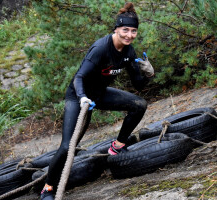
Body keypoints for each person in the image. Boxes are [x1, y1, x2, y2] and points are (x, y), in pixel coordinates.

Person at [40, 2, 154, 199]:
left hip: (100, 93)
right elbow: (79, 77)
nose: (129, 35)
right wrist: (83, 97)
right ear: (116, 29)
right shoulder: (101, 48)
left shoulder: (129, 52)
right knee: (68, 146)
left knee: (139, 105)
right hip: (79, 96)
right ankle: (48, 188)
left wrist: (148, 74)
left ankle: (116, 147)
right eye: (125, 30)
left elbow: (138, 86)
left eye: (133, 31)